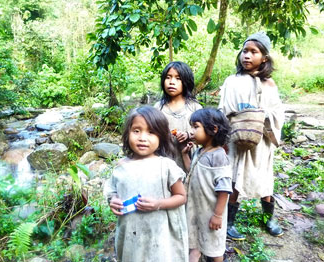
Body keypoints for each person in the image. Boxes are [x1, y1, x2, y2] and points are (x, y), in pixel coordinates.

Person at [218, 32, 285, 240]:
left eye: (253, 52)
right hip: (237, 138)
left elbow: (277, 113)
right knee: (236, 177)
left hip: (263, 141)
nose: (247, 55)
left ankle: (268, 219)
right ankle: (229, 222)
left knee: (265, 179)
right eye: (245, 51)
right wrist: (230, 132)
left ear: (264, 57)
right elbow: (224, 110)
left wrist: (262, 116)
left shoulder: (270, 84)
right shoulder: (233, 81)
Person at [104, 105, 189, 262]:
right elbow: (111, 190)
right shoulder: (121, 166)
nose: (143, 137)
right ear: (127, 133)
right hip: (131, 233)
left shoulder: (166, 166)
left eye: (151, 132)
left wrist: (158, 203)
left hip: (161, 234)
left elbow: (181, 196)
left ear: (161, 137)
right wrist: (113, 200)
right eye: (136, 131)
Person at [182, 108, 232, 262]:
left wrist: (217, 216)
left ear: (213, 129)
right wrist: (184, 154)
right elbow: (192, 171)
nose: (192, 131)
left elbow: (224, 189)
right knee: (195, 242)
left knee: (214, 247)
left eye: (196, 127)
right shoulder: (200, 151)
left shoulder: (218, 156)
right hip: (197, 209)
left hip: (211, 212)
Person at [154, 61, 202, 172]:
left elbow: (205, 134)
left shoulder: (195, 108)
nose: (171, 82)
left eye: (178, 78)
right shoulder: (158, 108)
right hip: (164, 160)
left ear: (186, 81)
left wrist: (188, 135)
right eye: (168, 77)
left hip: (190, 160)